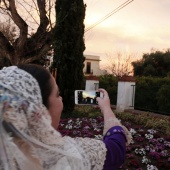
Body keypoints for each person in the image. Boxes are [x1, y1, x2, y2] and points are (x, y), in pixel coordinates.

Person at [0, 64, 132, 170]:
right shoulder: (68, 154)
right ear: (39, 111)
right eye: (57, 94)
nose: (61, 98)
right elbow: (116, 149)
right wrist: (106, 108)